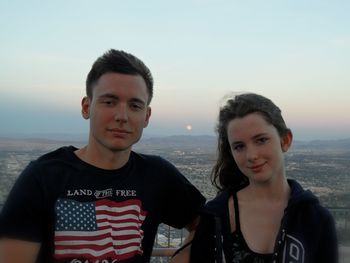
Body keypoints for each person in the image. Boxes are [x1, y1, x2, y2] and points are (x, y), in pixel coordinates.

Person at [0, 49, 205, 263]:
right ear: (86, 107)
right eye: (109, 102)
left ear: (147, 116)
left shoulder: (158, 175)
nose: (122, 116)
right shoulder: (42, 178)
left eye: (135, 106)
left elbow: (206, 223)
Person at [171, 93, 338, 263]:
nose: (251, 155)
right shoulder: (216, 217)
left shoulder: (316, 219)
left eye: (261, 140)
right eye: (239, 146)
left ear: (285, 140)